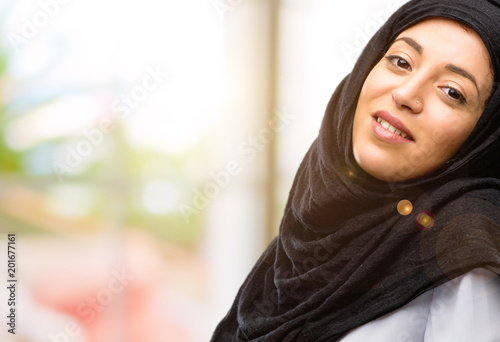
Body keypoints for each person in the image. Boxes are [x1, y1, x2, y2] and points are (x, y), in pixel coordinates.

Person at [212, 0, 500, 341]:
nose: (406, 94)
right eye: (400, 61)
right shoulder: (314, 219)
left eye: (452, 92)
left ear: (486, 134)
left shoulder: (467, 245)